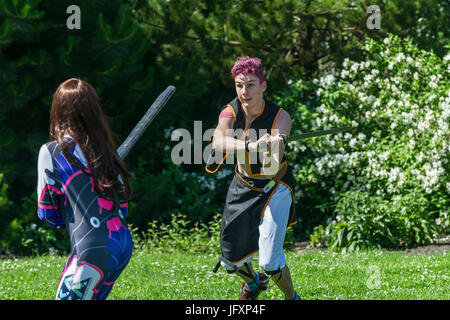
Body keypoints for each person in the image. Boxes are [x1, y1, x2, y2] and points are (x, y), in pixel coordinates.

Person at [207, 57, 300, 300]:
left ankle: (293, 298)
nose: (244, 91)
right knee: (230, 261)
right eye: (239, 85)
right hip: (242, 186)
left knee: (270, 262)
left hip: (274, 188)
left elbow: (273, 157)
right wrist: (252, 145)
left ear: (263, 86)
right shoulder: (230, 111)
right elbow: (218, 141)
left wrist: (274, 144)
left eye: (250, 85)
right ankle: (254, 283)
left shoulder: (281, 117)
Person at [37, 78, 133, 300]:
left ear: (58, 111)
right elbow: (123, 208)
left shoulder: (51, 151)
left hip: (91, 247)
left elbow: (48, 213)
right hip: (122, 243)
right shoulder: (106, 150)